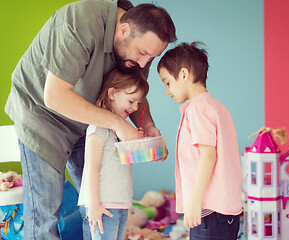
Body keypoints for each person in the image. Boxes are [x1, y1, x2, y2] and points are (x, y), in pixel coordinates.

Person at [5, 0, 176, 239]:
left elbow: (132, 90)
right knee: (44, 213)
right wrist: (117, 123)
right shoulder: (78, 22)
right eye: (143, 53)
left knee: (100, 204)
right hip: (41, 112)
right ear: (124, 29)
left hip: (89, 118)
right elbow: (55, 97)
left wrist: (147, 125)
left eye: (152, 57)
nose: (144, 64)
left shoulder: (135, 48)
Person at [157, 42, 243, 239]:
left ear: (184, 75)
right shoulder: (216, 107)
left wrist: (194, 202)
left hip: (208, 208)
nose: (167, 90)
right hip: (227, 209)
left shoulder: (197, 109)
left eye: (167, 82)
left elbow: (208, 156)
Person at [77, 67, 149, 239]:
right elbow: (92, 166)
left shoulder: (121, 131)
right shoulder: (98, 126)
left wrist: (137, 142)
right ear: (112, 93)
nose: (134, 108)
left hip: (121, 203)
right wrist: (94, 204)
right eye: (131, 101)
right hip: (103, 204)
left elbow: (126, 160)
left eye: (138, 103)